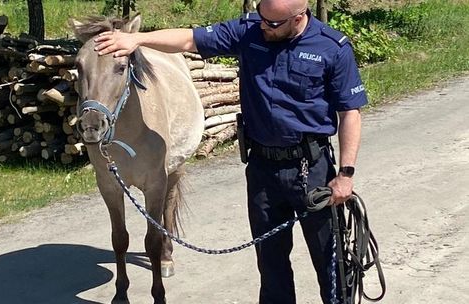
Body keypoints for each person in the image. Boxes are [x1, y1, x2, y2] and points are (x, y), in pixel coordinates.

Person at [94, 0, 367, 303]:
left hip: (312, 170)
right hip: (263, 170)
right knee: (271, 266)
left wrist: (345, 174)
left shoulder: (332, 47)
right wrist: (136, 39)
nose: (264, 26)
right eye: (262, 17)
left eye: (272, 23)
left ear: (298, 18)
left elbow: (350, 113)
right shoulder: (250, 31)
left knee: (332, 263)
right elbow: (189, 39)